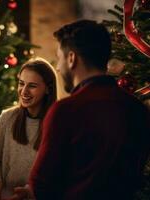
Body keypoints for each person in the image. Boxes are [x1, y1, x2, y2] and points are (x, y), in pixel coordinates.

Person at [29, 20, 150, 200]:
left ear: (71, 58)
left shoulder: (65, 111)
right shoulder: (137, 109)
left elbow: (41, 184)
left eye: (59, 58)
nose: (57, 67)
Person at [0, 58, 57, 199]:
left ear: (48, 89)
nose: (24, 91)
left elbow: (59, 173)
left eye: (32, 86)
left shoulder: (57, 123)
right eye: (21, 83)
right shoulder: (7, 118)